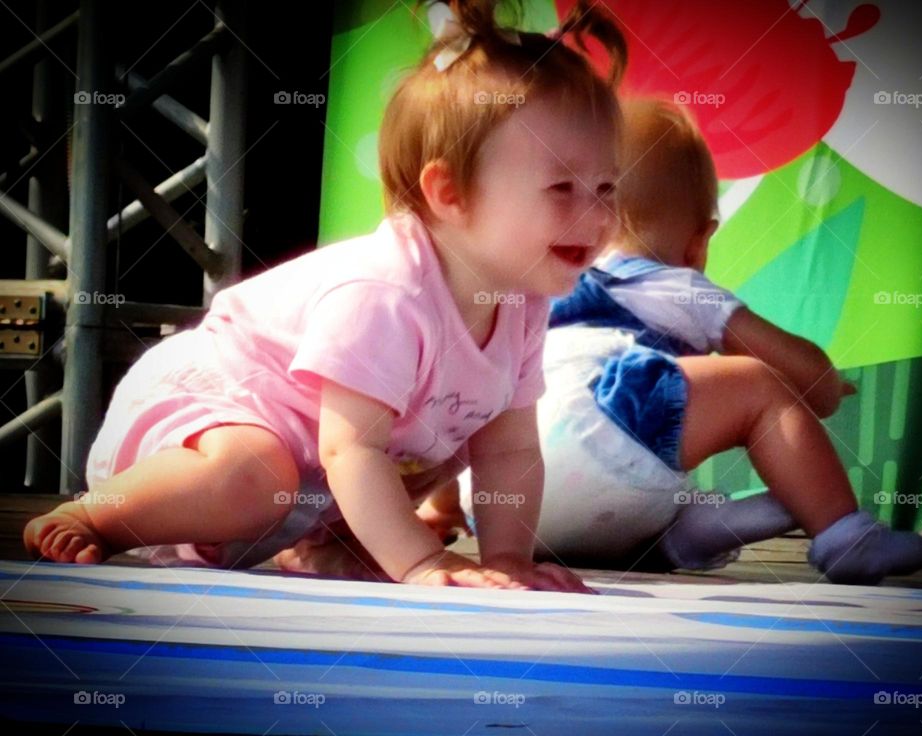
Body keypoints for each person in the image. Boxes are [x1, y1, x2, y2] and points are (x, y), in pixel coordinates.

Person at [22, 0, 627, 593]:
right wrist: (419, 564)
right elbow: (349, 446)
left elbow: (512, 449)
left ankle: (325, 548)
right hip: (207, 421)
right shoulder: (386, 291)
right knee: (267, 475)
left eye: (607, 186)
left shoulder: (520, 302)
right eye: (562, 187)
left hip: (302, 477)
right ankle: (93, 513)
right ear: (449, 192)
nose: (598, 214)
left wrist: (508, 558)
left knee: (444, 437)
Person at [447, 97, 922, 584]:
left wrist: (443, 504)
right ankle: (846, 536)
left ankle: (684, 536)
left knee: (489, 400)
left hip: (500, 505)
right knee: (757, 385)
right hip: (598, 432)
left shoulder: (535, 286)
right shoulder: (677, 285)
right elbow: (812, 385)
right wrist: (822, 382)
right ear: (700, 240)